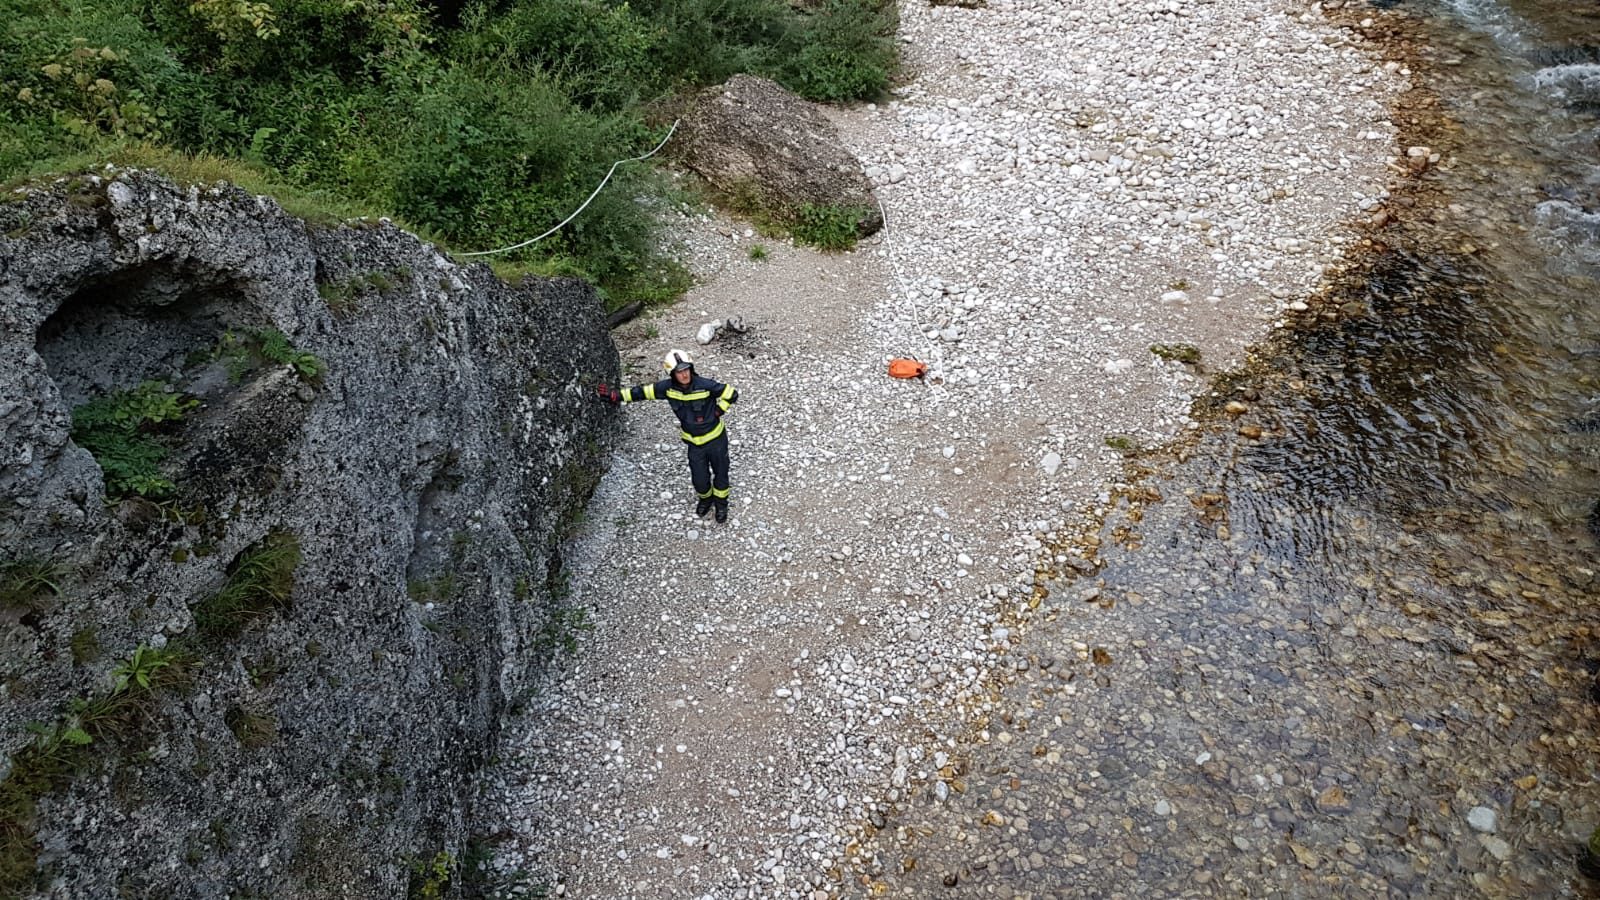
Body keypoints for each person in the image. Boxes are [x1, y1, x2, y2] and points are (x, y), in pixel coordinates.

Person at [597, 350, 739, 523]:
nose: (684, 374)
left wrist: (718, 411)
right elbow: (642, 392)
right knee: (699, 480)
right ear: (672, 374)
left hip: (716, 441)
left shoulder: (705, 385)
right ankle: (706, 499)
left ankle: (721, 505)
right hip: (694, 444)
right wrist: (616, 395)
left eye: (686, 369)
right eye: (679, 372)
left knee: (721, 474)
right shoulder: (667, 388)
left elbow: (731, 393)